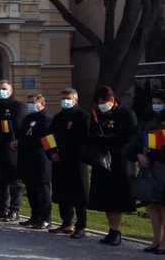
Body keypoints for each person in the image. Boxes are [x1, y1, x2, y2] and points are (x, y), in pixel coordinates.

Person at [87, 86, 137, 245]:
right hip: (102, 162)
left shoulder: (126, 114)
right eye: (99, 103)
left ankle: (116, 231)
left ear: (112, 100)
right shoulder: (99, 115)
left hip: (119, 162)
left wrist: (105, 139)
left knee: (116, 200)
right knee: (105, 200)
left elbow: (127, 137)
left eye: (104, 102)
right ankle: (111, 229)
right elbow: (93, 134)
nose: (101, 105)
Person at [47, 88, 90, 238]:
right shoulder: (58, 117)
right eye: (63, 98)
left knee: (78, 193)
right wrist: (51, 152)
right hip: (58, 160)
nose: (65, 101)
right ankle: (66, 222)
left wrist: (67, 153)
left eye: (68, 98)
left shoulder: (82, 116)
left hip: (76, 161)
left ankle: (81, 226)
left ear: (75, 100)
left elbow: (84, 140)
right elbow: (48, 136)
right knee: (62, 192)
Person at [0, 80, 26, 221]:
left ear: (11, 90)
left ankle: (14, 209)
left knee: (14, 180)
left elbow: (17, 127)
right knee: (0, 180)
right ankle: (1, 208)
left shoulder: (18, 106)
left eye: (4, 89)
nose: (1, 91)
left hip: (10, 147)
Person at [129, 91, 165, 253]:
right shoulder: (147, 119)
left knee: (163, 205)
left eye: (159, 102)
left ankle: (164, 243)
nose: (156, 105)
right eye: (154, 102)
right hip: (149, 166)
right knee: (152, 205)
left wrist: (152, 154)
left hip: (162, 165)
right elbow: (137, 139)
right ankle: (156, 239)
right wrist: (139, 155)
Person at [15, 94, 53, 230]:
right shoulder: (27, 119)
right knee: (31, 189)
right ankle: (35, 216)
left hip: (41, 157)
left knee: (43, 189)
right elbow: (23, 135)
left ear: (42, 104)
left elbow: (47, 139)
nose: (29, 105)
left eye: (32, 102)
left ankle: (46, 218)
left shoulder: (47, 119)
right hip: (26, 157)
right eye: (28, 102)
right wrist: (18, 142)